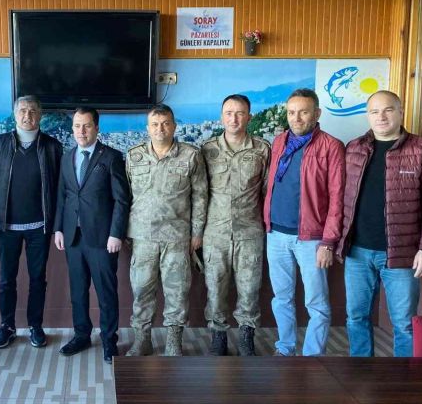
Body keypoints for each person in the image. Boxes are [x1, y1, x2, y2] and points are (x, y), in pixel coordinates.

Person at [336, 90, 422, 357]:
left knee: (404, 324)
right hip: (357, 251)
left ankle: (403, 378)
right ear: (368, 115)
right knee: (356, 317)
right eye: (374, 111)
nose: (381, 116)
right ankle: (361, 373)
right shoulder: (354, 148)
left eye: (388, 110)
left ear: (401, 112)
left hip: (402, 254)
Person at [263, 88, 345, 356]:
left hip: (311, 238)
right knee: (281, 298)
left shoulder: (331, 146)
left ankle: (312, 356)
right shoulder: (279, 141)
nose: (296, 118)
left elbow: (337, 197)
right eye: (291, 112)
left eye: (303, 112)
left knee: (316, 303)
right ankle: (285, 348)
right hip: (275, 234)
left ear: (317, 113)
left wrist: (329, 241)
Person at [125, 104, 208, 357]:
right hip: (143, 237)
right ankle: (142, 340)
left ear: (174, 126)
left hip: (177, 237)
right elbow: (126, 195)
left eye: (165, 123)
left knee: (177, 291)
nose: (160, 129)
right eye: (155, 124)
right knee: (141, 291)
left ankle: (174, 341)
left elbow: (200, 196)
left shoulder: (191, 156)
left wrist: (197, 233)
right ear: (147, 128)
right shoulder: (134, 156)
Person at [54, 107, 131, 364]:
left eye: (87, 125)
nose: (82, 131)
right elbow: (63, 196)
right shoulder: (67, 157)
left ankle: (109, 341)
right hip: (72, 237)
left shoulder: (111, 157)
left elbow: (121, 200)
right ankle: (81, 335)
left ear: (97, 128)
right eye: (77, 126)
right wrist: (58, 228)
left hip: (102, 239)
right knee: (78, 291)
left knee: (106, 292)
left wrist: (116, 233)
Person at [0, 95, 62, 349]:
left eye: (32, 111)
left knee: (38, 279)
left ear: (40, 115)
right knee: (6, 279)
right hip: (6, 226)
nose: (27, 115)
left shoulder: (52, 146)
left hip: (40, 227)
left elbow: (59, 188)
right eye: (22, 111)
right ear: (15, 114)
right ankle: (6, 326)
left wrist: (56, 224)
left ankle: (35, 325)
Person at [201, 94, 270, 356]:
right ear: (221, 117)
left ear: (249, 117)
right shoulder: (207, 149)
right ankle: (218, 337)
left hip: (250, 232)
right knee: (215, 288)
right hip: (215, 233)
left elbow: (267, 191)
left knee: (249, 289)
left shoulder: (261, 149)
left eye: (240, 113)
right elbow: (199, 192)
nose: (234, 119)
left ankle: (246, 337)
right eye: (229, 113)